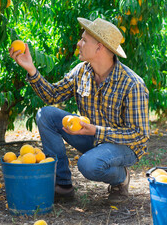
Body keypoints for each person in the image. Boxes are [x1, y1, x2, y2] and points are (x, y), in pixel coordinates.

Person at [9, 17, 150, 202]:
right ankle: (63, 185)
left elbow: (139, 135)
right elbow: (53, 96)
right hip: (91, 136)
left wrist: (96, 131)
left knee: (88, 164)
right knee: (46, 114)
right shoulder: (81, 71)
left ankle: (121, 177)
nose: (78, 43)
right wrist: (31, 69)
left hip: (124, 147)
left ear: (99, 47)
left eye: (84, 40)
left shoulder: (132, 84)